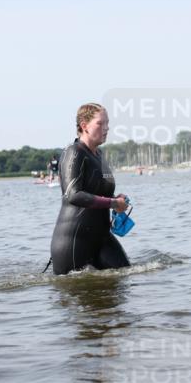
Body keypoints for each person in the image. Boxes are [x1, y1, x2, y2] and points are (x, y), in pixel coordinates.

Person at [49, 102, 130, 275]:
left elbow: (101, 193)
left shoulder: (99, 155)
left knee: (125, 277)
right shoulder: (74, 152)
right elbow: (73, 194)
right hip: (74, 242)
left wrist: (117, 199)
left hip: (101, 237)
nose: (106, 128)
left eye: (107, 123)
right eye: (101, 124)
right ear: (84, 126)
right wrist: (113, 202)